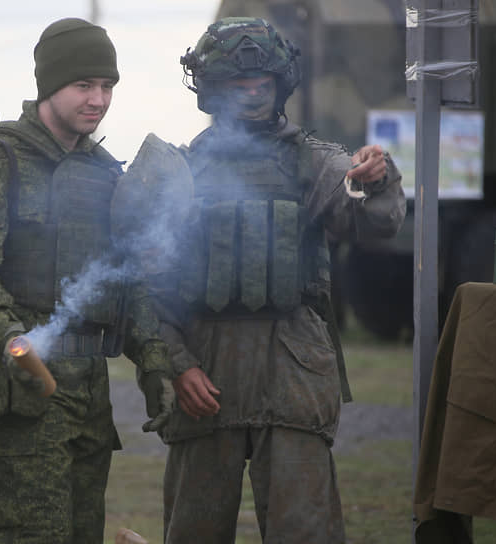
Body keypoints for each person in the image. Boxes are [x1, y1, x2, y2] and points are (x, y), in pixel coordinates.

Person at [127, 17, 406, 543]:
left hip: (292, 371)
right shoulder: (178, 172)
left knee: (306, 530)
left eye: (262, 85)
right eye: (238, 85)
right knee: (195, 529)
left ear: (281, 85)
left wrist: (376, 178)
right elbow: (147, 290)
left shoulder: (314, 161)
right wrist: (179, 366)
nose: (252, 96)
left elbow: (377, 223)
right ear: (211, 91)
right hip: (205, 372)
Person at [0, 17, 172, 544]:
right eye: (84, 85)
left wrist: (154, 361)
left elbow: (126, 278)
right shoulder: (0, 159)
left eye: (108, 86)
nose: (99, 99)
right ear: (49, 86)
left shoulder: (106, 172)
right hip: (27, 397)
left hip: (90, 398)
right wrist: (13, 342)